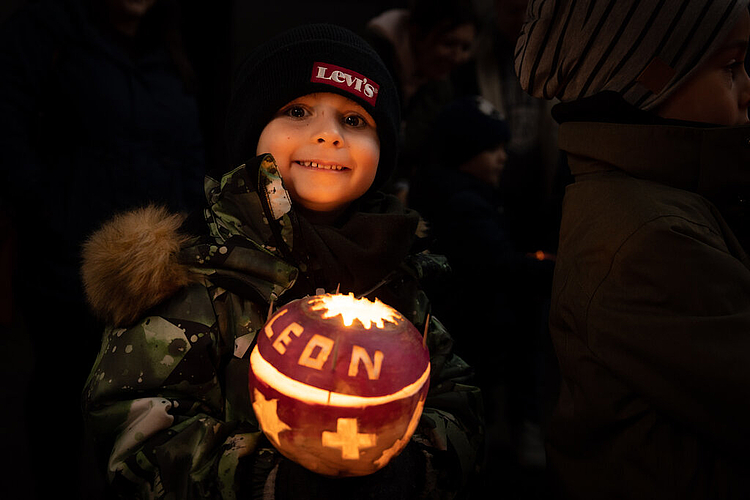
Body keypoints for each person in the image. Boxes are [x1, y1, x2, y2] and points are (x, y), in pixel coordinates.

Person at [81, 24, 483, 499]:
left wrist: (413, 469)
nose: (328, 136)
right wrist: (269, 479)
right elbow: (135, 433)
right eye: (297, 111)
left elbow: (457, 400)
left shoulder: (401, 273)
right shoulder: (195, 277)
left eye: (354, 121)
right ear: (253, 132)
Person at [515, 0, 750, 498]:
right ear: (651, 81)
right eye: (731, 66)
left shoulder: (657, 202)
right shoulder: (652, 239)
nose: (748, 86)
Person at [0, 0, 205, 497]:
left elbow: (187, 153)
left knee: (144, 409)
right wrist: (53, 216)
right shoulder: (46, 33)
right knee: (62, 392)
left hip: (154, 274)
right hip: (66, 264)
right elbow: (9, 133)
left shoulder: (170, 50)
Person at [409, 95, 554, 475]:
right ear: (463, 150)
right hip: (474, 327)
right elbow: (499, 265)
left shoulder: (462, 194)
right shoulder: (462, 203)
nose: (502, 157)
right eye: (491, 149)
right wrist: (553, 271)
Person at [453, 0, 563, 255]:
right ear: (497, 9)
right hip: (490, 191)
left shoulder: (555, 54)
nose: (523, 19)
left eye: (531, 11)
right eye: (514, 10)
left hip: (542, 182)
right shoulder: (472, 59)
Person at [364, 0, 479, 203]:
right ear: (417, 34)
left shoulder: (440, 85)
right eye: (449, 44)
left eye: (465, 47)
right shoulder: (369, 65)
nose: (458, 57)